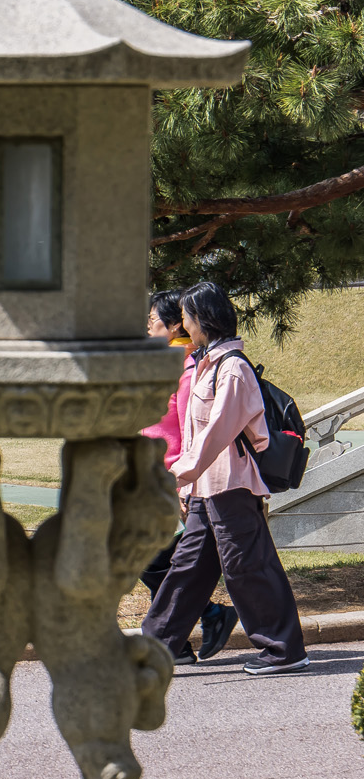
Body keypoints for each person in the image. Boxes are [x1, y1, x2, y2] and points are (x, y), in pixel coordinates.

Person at [142, 282, 308, 676]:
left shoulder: (232, 369)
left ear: (203, 320)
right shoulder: (208, 364)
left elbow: (217, 432)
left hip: (231, 485)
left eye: (186, 317)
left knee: (248, 568)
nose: (183, 324)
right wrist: (188, 483)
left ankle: (284, 650)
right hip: (206, 486)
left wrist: (181, 472)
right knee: (187, 568)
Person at [138, 290, 233, 664]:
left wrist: (182, 481)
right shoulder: (161, 363)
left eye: (152, 322)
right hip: (154, 475)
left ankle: (208, 616)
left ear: (176, 323)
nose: (147, 329)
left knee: (152, 560)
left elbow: (189, 429)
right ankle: (178, 641)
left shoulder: (187, 366)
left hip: (172, 476)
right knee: (160, 559)